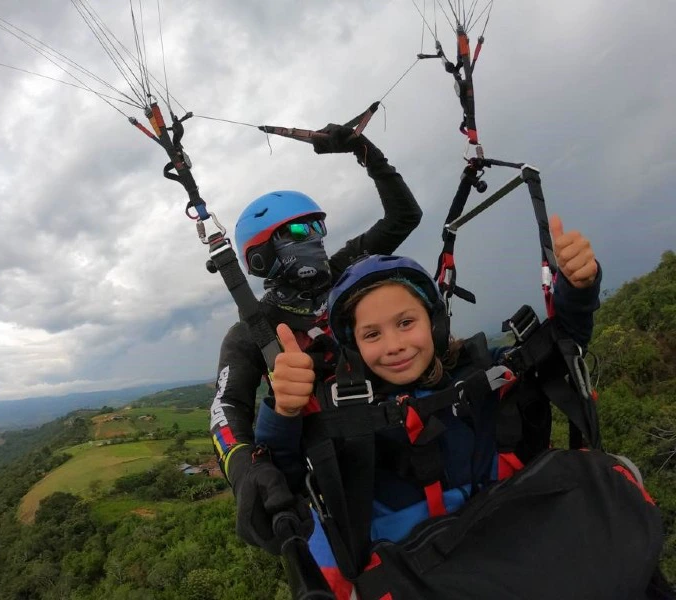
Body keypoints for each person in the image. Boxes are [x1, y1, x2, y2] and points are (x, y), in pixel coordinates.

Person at [256, 217, 664, 598]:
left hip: (516, 541)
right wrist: (284, 411)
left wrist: (576, 288)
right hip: (423, 573)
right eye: (372, 333)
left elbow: (561, 347)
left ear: (433, 322)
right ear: (355, 346)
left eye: (405, 323)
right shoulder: (340, 411)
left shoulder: (479, 373)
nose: (394, 345)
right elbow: (285, 474)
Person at [209, 124, 424, 554]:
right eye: (298, 234)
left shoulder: (347, 270)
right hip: (335, 474)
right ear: (260, 256)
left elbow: (404, 217)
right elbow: (227, 406)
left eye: (318, 228)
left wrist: (365, 151)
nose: (316, 241)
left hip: (407, 442)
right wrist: (244, 468)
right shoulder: (252, 330)